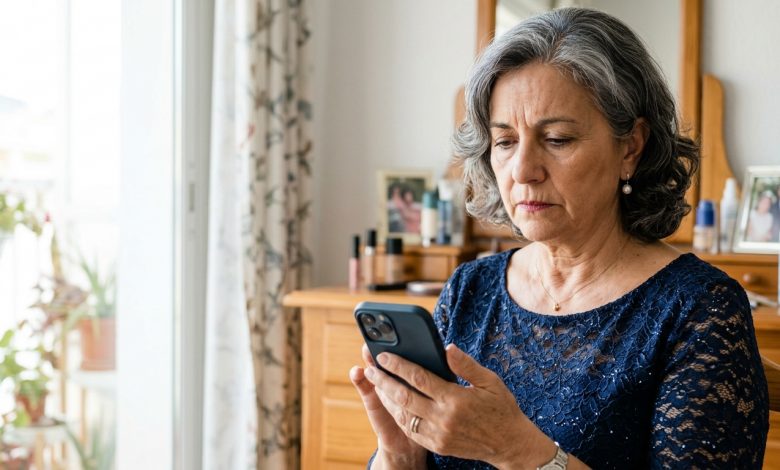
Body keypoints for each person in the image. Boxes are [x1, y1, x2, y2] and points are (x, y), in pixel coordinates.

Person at [349, 7, 768, 469]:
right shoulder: (470, 290)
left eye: (558, 139)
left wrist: (517, 451)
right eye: (505, 142)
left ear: (631, 146)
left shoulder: (699, 308)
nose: (523, 171)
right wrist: (398, 454)